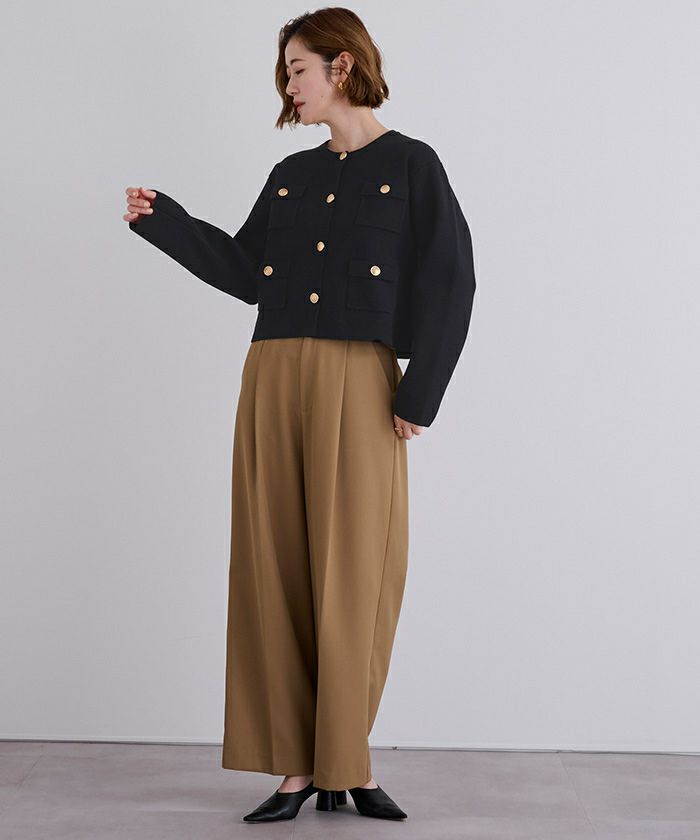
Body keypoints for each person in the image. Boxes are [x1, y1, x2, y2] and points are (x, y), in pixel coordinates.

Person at [123, 7, 477, 824]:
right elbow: (248, 272)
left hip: (361, 380)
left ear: (341, 65)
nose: (288, 85)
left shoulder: (414, 164)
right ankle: (294, 770)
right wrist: (166, 223)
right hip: (273, 374)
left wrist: (419, 394)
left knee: (355, 573)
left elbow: (451, 280)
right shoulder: (291, 174)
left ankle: (345, 761)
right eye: (286, 72)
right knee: (273, 566)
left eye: (297, 69)